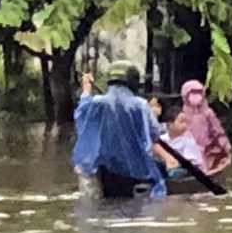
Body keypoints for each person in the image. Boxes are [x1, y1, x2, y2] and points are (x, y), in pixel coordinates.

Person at [72, 60, 167, 199]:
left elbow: (81, 116)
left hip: (102, 167)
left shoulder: (97, 102)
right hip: (137, 169)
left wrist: (86, 90)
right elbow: (155, 132)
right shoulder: (140, 105)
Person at [181, 79, 232, 173]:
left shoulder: (208, 113)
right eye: (192, 93)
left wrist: (224, 144)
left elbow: (217, 130)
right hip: (187, 149)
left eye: (198, 92)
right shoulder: (182, 114)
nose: (196, 96)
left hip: (206, 149)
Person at [158, 103, 206, 179]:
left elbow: (191, 163)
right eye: (182, 122)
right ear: (170, 124)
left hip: (188, 168)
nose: (185, 125)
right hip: (168, 165)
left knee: (174, 173)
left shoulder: (188, 139)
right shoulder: (163, 138)